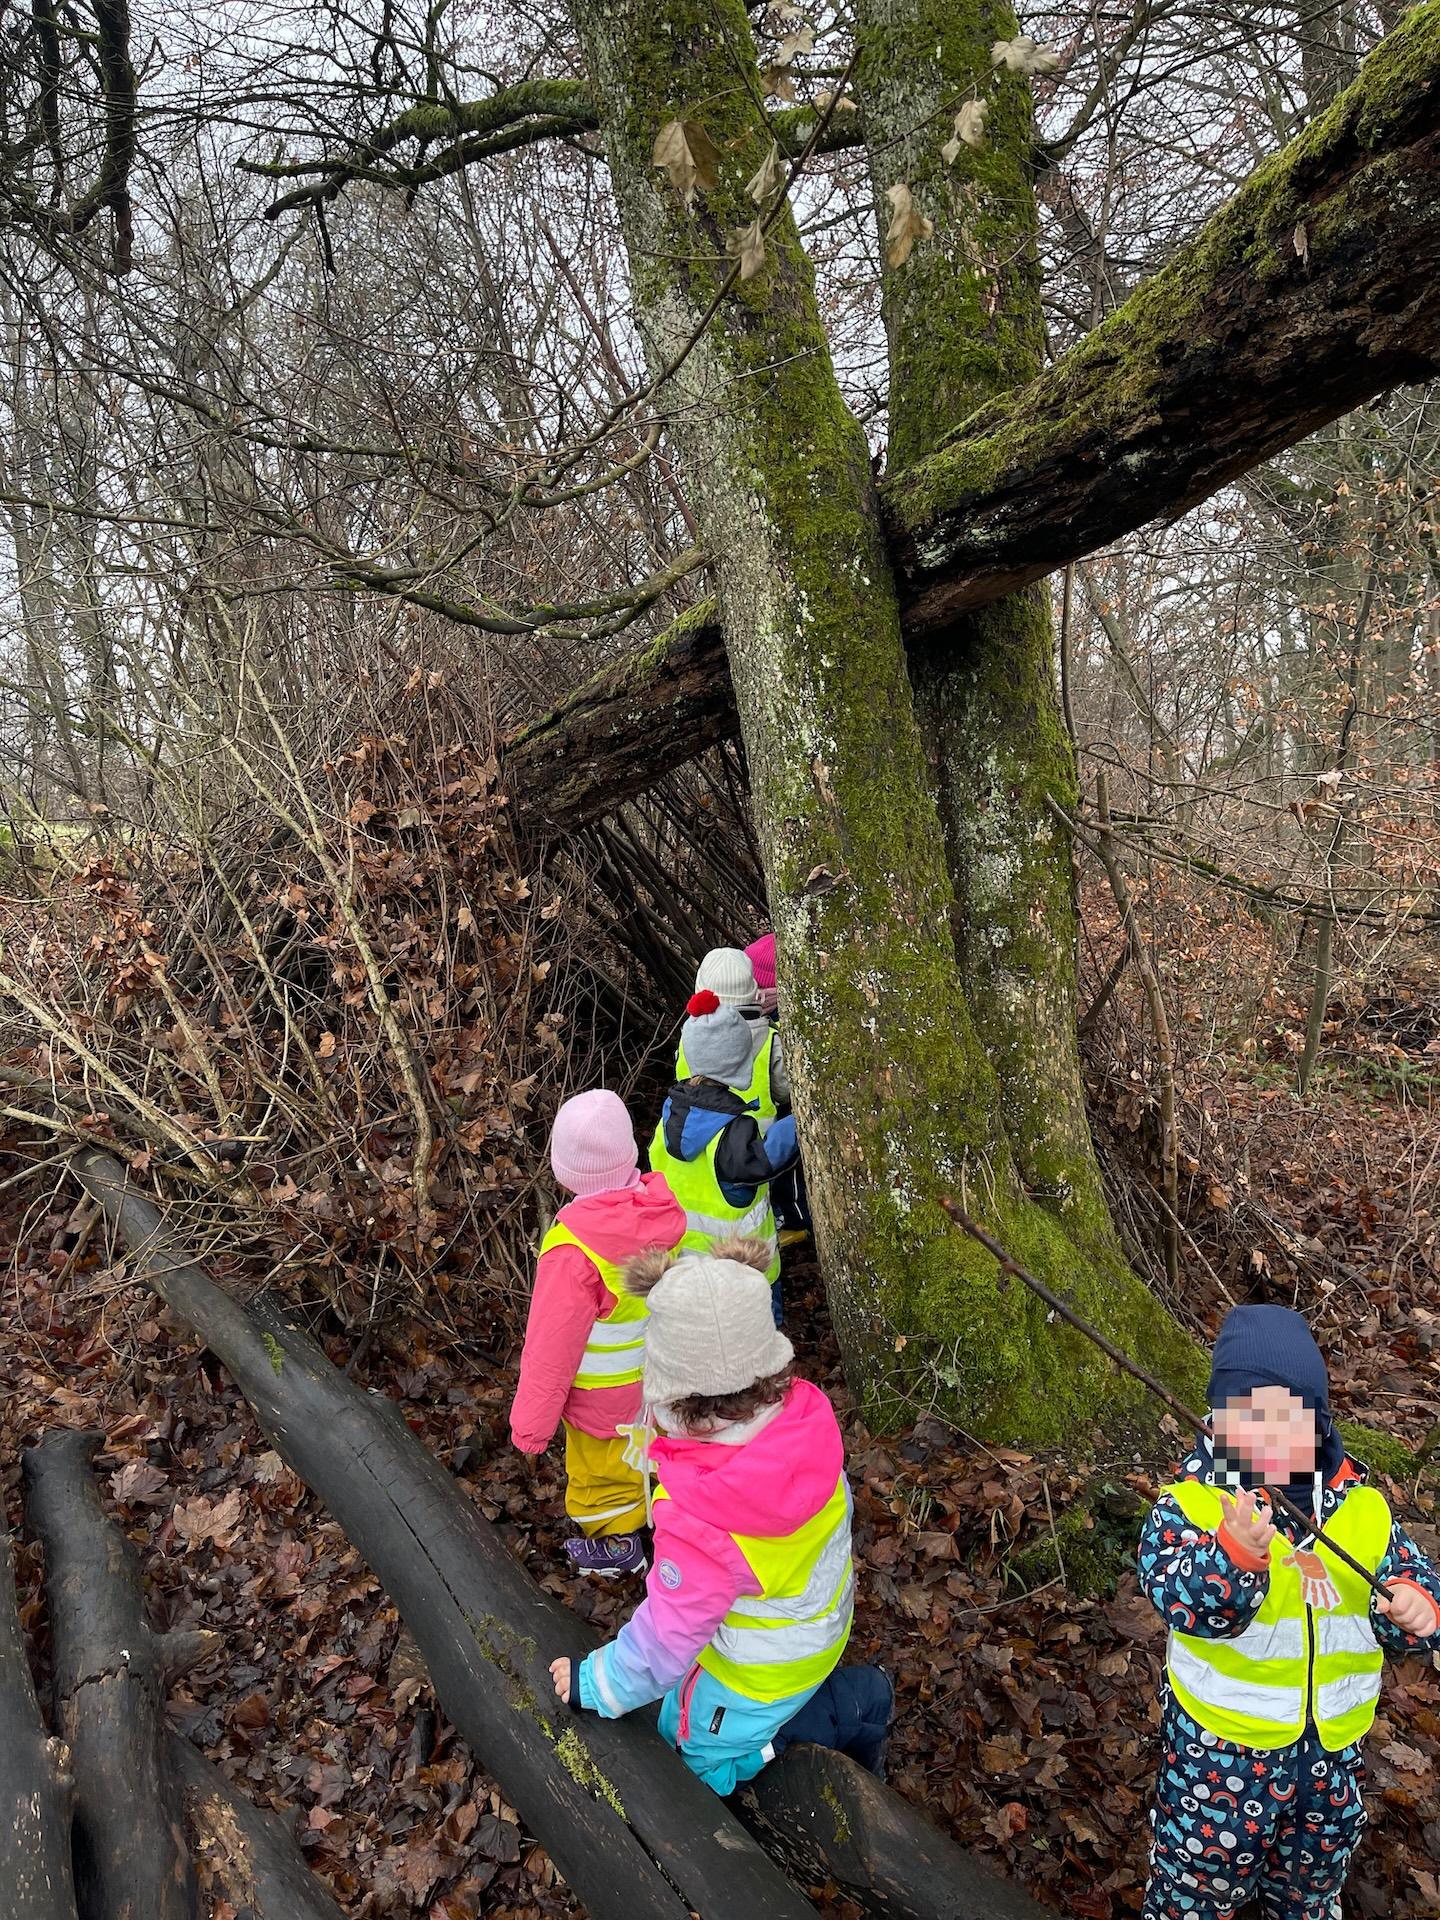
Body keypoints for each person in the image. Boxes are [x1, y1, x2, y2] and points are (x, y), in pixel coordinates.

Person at [546, 1238, 892, 1793]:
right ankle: (834, 1695)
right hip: (812, 1618)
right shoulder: (803, 1422)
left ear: (676, 1401)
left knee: (690, 1759)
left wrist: (598, 1682)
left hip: (758, 1668)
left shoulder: (703, 1515)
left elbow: (665, 1641)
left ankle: (831, 1716)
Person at [1137, 1303, 1440, 1920]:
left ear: (1319, 1424)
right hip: (1219, 1761)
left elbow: (1403, 1582)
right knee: (1199, 1885)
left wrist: (1414, 1608)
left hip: (1331, 1758)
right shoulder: (1194, 1506)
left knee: (1310, 1883)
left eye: (1285, 1420)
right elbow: (1180, 1599)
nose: (1264, 1438)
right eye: (1245, 1419)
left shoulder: (1364, 1513)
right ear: (1216, 1425)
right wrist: (1235, 1556)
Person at [511, 1089, 686, 1578]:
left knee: (600, 1474)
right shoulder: (662, 1212)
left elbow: (551, 1348)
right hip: (661, 1378)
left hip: (601, 1399)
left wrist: (531, 1426)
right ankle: (669, 1525)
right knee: (652, 1451)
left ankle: (617, 1547)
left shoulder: (572, 1251)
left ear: (565, 1170)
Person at [651, 990, 799, 1305]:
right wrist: (800, 1121)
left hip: (683, 1270)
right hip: (743, 1275)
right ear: (739, 1061)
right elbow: (766, 1161)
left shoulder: (667, 1118)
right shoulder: (733, 1130)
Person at [744, 930, 810, 1240]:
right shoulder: (758, 1020)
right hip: (761, 1116)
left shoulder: (787, 1019)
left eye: (758, 988)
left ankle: (796, 1219)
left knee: (789, 1171)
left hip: (782, 1112)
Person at [677, 948, 789, 1133]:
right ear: (753, 991)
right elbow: (784, 1091)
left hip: (693, 1130)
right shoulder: (770, 1038)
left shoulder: (689, 1034)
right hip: (755, 1145)